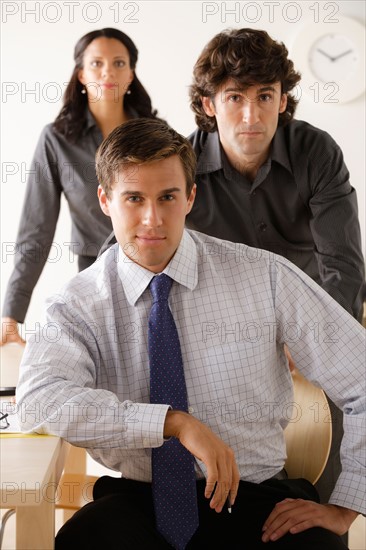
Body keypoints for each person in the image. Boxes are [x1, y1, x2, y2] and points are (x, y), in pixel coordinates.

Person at [17, 118, 365, 550]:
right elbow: (38, 401)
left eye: (167, 197)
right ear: (105, 200)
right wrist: (170, 423)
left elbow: (362, 378)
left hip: (256, 501)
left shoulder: (265, 277)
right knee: (85, 540)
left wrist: (348, 503)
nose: (152, 219)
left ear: (190, 197)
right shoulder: (76, 304)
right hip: (137, 502)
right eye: (133, 199)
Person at [184, 27, 366, 517]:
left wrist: (312, 339)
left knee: (346, 387)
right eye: (235, 97)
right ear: (208, 104)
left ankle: (328, 513)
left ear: (283, 100)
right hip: (222, 322)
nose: (251, 114)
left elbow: (343, 263)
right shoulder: (179, 162)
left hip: (313, 310)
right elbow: (133, 242)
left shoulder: (317, 152)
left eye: (265, 96)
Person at [1, 27, 159, 347]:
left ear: (131, 75)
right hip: (94, 279)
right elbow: (36, 231)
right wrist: (10, 316)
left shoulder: (157, 135)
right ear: (81, 75)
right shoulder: (56, 140)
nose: (107, 72)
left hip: (157, 271)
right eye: (96, 63)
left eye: (119, 63)